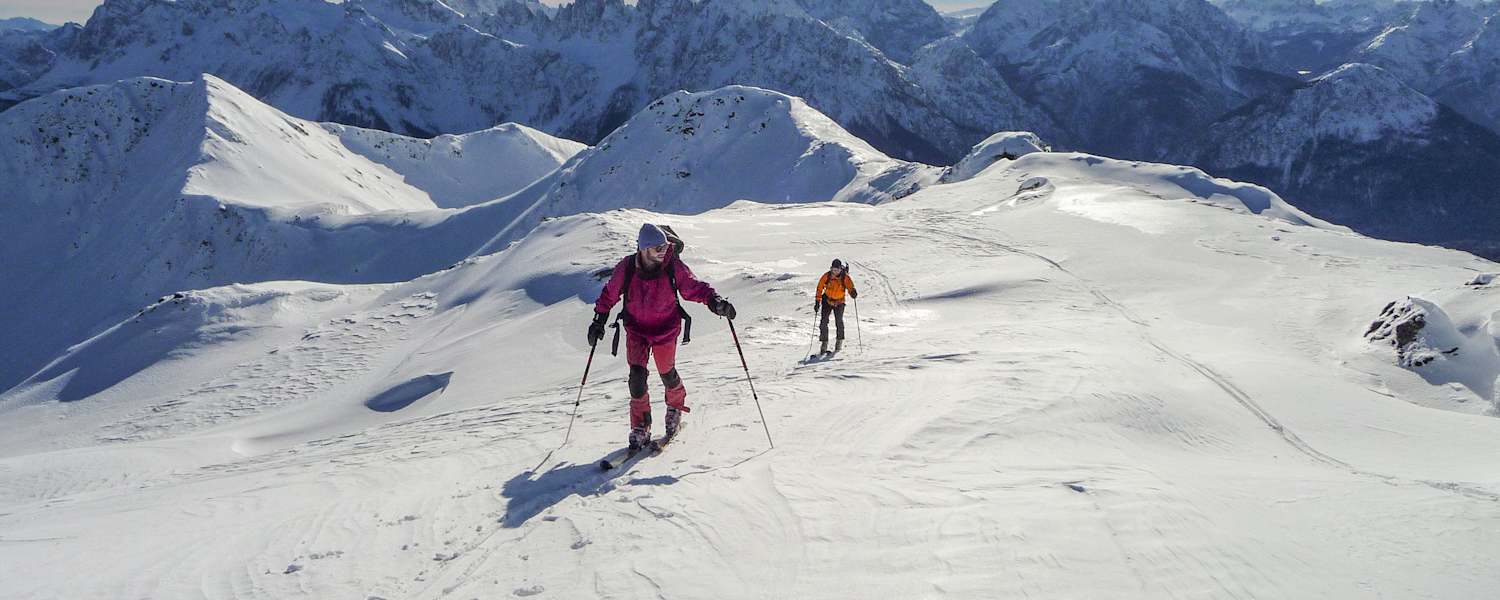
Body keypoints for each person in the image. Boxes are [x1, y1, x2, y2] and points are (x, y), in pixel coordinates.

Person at [588, 224, 737, 451]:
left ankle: (675, 408)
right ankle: (641, 426)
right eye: (658, 248)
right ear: (644, 249)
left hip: (666, 329)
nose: (663, 251)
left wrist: (715, 302)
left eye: (665, 246)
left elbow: (692, 287)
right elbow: (610, 294)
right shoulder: (627, 268)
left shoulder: (672, 266)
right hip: (636, 330)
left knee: (667, 373)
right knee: (636, 379)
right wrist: (599, 320)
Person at [815, 259, 857, 356]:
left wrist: (853, 293)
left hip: (839, 302)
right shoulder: (826, 276)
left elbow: (850, 287)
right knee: (823, 322)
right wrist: (817, 301)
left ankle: (839, 343)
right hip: (827, 300)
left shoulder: (845, 277)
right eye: (833, 269)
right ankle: (824, 344)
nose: (834, 272)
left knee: (839, 321)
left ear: (840, 269)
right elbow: (819, 287)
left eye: (836, 270)